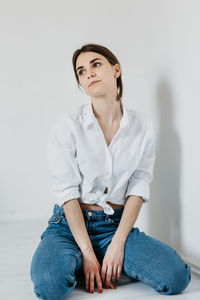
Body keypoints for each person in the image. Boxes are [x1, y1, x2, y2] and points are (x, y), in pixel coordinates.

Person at [30, 43, 191, 300]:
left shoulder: (142, 127)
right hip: (69, 227)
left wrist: (118, 243)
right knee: (50, 286)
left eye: (96, 64)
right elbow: (67, 193)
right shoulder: (67, 126)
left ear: (116, 70)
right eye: (81, 71)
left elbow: (139, 186)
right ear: (81, 83)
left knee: (177, 276)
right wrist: (86, 250)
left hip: (115, 226)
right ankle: (82, 260)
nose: (89, 73)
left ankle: (96, 264)